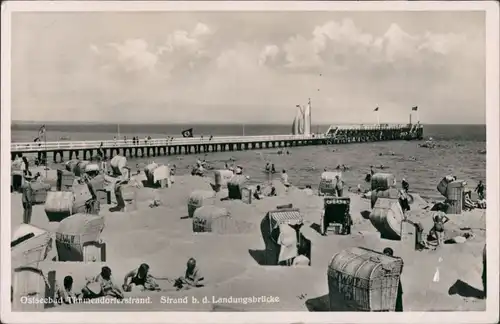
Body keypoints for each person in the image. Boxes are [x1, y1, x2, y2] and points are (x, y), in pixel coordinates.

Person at [383, 248, 403, 312]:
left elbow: (399, 269)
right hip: (388, 285)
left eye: (388, 255)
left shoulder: (396, 262)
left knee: (397, 301)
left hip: (395, 284)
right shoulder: (384, 262)